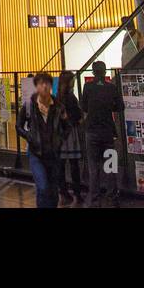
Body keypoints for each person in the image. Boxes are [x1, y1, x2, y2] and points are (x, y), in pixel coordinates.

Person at [16, 71, 63, 208]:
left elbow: (66, 125)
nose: (44, 86)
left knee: (53, 190)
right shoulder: (29, 106)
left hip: (53, 154)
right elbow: (18, 126)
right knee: (42, 187)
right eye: (41, 83)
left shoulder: (58, 106)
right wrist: (29, 136)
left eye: (47, 83)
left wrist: (60, 139)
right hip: (36, 153)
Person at [81, 61, 123, 207]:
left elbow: (84, 106)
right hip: (108, 133)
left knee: (93, 167)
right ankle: (112, 198)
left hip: (91, 131)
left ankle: (94, 199)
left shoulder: (88, 87)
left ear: (93, 73)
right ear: (105, 72)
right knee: (110, 167)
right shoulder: (111, 88)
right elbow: (120, 107)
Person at [57, 71, 85, 204]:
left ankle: (63, 192)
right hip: (70, 133)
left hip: (60, 135)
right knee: (74, 165)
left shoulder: (58, 97)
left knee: (61, 165)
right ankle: (77, 194)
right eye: (72, 79)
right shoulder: (70, 97)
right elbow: (78, 116)